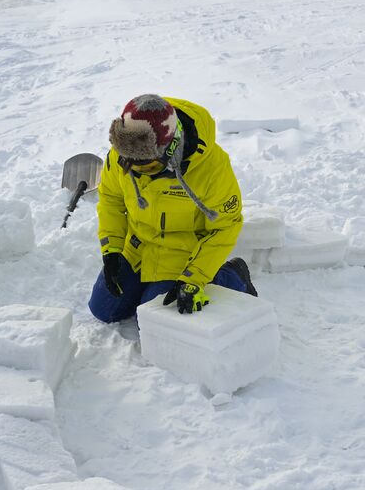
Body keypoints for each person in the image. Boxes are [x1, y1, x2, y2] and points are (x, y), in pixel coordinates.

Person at [89, 94, 256, 323]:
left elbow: (225, 226)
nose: (138, 172)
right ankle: (145, 286)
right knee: (104, 310)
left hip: (183, 254)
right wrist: (112, 251)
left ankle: (231, 276)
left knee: (152, 323)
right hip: (139, 248)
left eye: (147, 165)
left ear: (171, 147)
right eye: (130, 163)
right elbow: (111, 200)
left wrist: (193, 279)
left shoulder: (211, 168)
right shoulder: (123, 155)